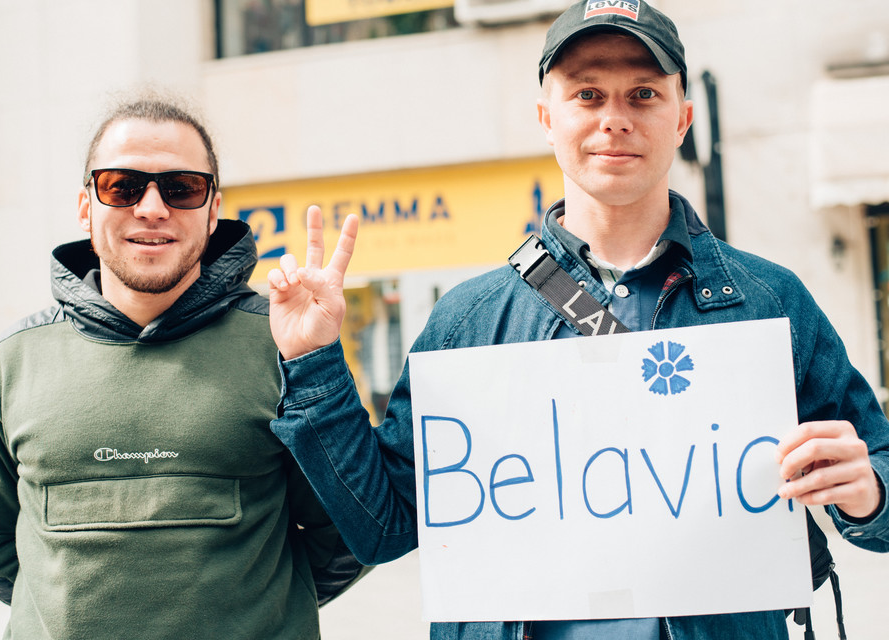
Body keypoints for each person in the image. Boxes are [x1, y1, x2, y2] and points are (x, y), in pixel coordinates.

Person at [265, 1, 889, 639]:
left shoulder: (768, 301)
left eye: (643, 94)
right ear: (546, 118)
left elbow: (882, 481)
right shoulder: (466, 323)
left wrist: (867, 490)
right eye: (587, 95)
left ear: (683, 118)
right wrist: (314, 363)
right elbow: (385, 527)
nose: (613, 119)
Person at [0, 95, 362, 639]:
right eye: (121, 186)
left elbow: (349, 523)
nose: (151, 207)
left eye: (182, 188)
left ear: (213, 210)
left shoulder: (281, 343)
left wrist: (263, 606)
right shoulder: (15, 360)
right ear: (85, 207)